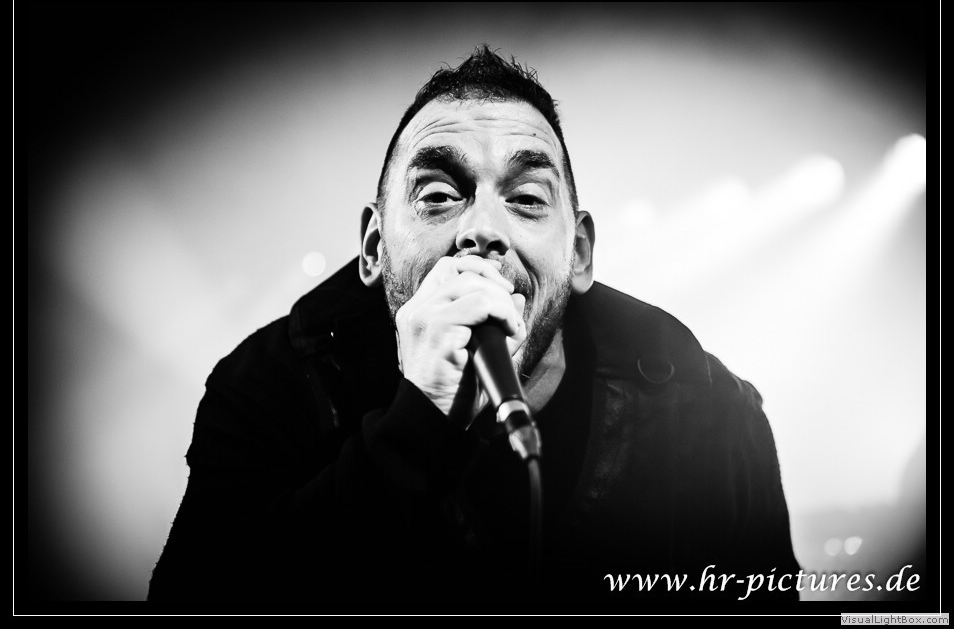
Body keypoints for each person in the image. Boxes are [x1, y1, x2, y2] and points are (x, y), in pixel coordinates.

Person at [148, 45, 802, 614]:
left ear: (578, 254)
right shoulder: (272, 383)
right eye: (437, 195)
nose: (483, 229)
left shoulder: (708, 407)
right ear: (374, 247)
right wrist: (417, 424)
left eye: (527, 199)